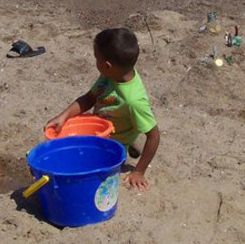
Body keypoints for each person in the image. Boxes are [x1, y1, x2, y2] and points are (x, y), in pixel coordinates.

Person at [45, 28, 160, 191]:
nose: (95, 62)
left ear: (107, 65)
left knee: (82, 169)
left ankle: (128, 140)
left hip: (111, 144)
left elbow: (154, 136)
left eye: (96, 58)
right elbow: (89, 98)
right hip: (103, 126)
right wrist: (63, 116)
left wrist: (139, 171)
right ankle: (131, 132)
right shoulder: (110, 75)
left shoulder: (133, 101)